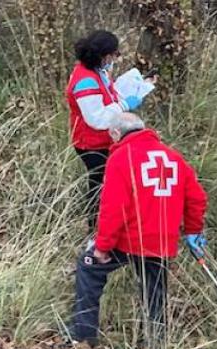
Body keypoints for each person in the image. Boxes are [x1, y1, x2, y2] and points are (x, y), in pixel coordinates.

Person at [69, 113, 208, 349]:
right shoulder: (173, 157)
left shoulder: (121, 158)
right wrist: (193, 230)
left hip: (129, 240)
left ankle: (83, 336)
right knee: (154, 292)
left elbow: (113, 208)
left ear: (115, 134)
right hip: (163, 241)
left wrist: (102, 247)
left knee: (89, 267)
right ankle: (156, 346)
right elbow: (197, 197)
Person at [66, 30, 151, 222]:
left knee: (106, 184)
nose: (116, 58)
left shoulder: (97, 72)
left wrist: (137, 87)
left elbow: (108, 95)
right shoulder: (85, 80)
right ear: (104, 56)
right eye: (114, 54)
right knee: (101, 187)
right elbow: (96, 119)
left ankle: (104, 226)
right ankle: (95, 229)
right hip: (91, 143)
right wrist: (124, 105)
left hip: (103, 140)